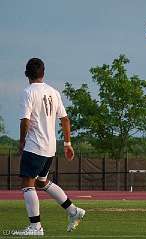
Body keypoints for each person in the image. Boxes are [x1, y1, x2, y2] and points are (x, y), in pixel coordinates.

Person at [13, 58, 85, 236]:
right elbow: (65, 119)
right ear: (43, 73)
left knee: (28, 184)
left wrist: (22, 141)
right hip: (50, 147)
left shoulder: (28, 92)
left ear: (26, 74)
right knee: (41, 182)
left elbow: (25, 120)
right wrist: (67, 144)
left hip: (35, 145)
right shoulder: (53, 92)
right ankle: (73, 211)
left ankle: (35, 227)